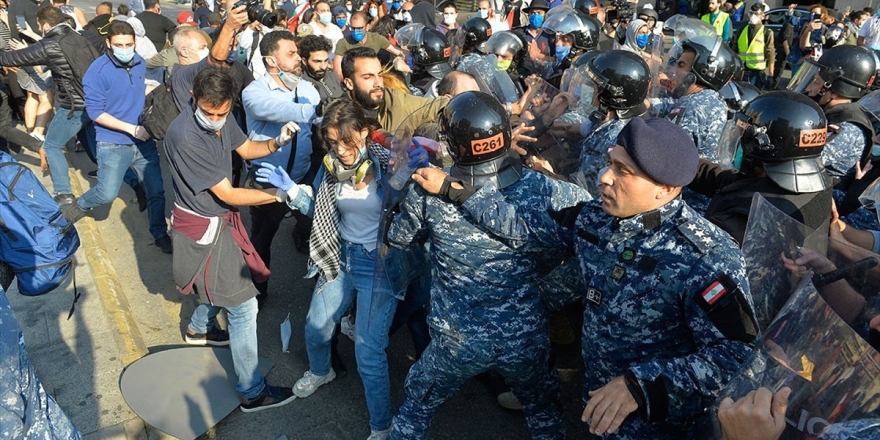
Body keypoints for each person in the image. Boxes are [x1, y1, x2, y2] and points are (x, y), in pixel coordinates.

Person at [468, 117, 759, 438]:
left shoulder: (704, 255)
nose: (605, 177)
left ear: (666, 189)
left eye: (624, 171)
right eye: (610, 163)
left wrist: (643, 386)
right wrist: (460, 191)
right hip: (599, 404)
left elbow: (739, 353)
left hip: (658, 426)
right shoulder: (598, 217)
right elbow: (531, 230)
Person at [386, 91, 590, 439]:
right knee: (544, 415)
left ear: (453, 144)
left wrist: (403, 185)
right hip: (525, 336)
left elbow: (399, 239)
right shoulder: (545, 189)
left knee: (415, 412)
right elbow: (593, 237)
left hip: (456, 341)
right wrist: (550, 294)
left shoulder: (430, 189)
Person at [258, 98, 428, 440]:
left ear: (364, 133)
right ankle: (322, 371)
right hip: (340, 258)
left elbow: (414, 214)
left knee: (368, 351)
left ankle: (381, 426)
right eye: (333, 142)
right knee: (316, 327)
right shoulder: (330, 165)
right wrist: (291, 191)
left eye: (346, 142)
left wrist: (414, 173)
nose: (341, 150)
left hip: (380, 266)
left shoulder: (389, 164)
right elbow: (318, 208)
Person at [164, 66, 298, 412]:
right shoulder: (186, 137)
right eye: (209, 112)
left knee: (215, 284)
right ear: (194, 98)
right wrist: (281, 196)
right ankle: (252, 391)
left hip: (216, 222)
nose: (216, 119)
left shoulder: (223, 117)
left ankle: (198, 329)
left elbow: (246, 149)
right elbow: (230, 194)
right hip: (207, 225)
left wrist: (277, 141)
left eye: (222, 113)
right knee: (242, 306)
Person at [60, 21, 172, 254]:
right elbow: (96, 113)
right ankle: (71, 212)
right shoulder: (97, 72)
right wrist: (131, 129)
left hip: (144, 142)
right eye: (119, 45)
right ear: (109, 44)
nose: (124, 48)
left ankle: (160, 234)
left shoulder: (140, 62)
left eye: (129, 44)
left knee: (156, 191)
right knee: (106, 193)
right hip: (113, 143)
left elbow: (137, 90)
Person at [690, 91, 833, 244]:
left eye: (742, 132)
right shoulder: (818, 190)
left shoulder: (737, 222)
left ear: (761, 144)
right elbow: (726, 179)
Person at [241, 30, 320, 300]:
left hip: (302, 177)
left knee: (317, 226)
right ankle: (256, 291)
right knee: (262, 239)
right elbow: (275, 109)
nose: (299, 58)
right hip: (269, 180)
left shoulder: (307, 88)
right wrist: (314, 112)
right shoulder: (254, 93)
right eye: (291, 54)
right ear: (271, 61)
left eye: (297, 53)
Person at [0, 6, 102, 206]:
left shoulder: (49, 44)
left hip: (74, 107)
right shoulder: (79, 37)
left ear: (45, 25)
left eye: (39, 26)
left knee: (52, 145)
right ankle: (134, 181)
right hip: (93, 104)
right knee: (96, 152)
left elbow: (12, 59)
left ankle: (64, 195)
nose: (39, 29)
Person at [787, 44, 876, 179]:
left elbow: (797, 161)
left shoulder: (847, 129)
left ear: (833, 91)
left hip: (826, 195)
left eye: (816, 82)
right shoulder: (829, 113)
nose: (809, 89)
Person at [571, 50, 650, 197]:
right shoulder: (602, 121)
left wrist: (546, 170)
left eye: (591, 84)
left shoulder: (615, 138)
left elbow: (587, 192)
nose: (585, 87)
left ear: (611, 95)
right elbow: (572, 129)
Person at [656, 34, 735, 163]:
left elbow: (661, 155)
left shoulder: (690, 108)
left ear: (702, 71)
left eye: (681, 65)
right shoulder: (712, 99)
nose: (672, 71)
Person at [340, 47, 446, 133]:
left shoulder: (397, 101)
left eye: (380, 74)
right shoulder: (339, 116)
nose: (378, 83)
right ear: (349, 83)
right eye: (368, 77)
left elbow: (435, 106)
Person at [331, 11, 401, 80]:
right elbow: (337, 71)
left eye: (359, 28)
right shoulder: (343, 43)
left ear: (367, 27)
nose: (356, 31)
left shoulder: (376, 38)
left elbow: (397, 52)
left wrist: (405, 59)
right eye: (353, 28)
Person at [733, 4, 774, 90]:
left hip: (756, 72)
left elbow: (771, 54)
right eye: (751, 13)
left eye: (756, 14)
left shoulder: (767, 33)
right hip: (742, 70)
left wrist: (771, 75)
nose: (753, 16)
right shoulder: (742, 30)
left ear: (763, 16)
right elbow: (734, 50)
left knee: (753, 96)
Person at [299, 34, 346, 109]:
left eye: (326, 60)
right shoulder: (301, 85)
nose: (323, 67)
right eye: (317, 61)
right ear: (304, 61)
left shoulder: (332, 76)